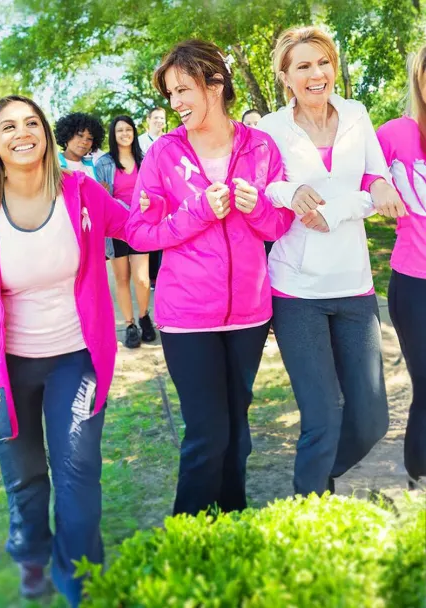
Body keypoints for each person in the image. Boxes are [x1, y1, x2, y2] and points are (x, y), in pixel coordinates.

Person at [0, 95, 129, 605]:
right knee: (25, 477)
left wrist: (182, 211)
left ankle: (80, 579)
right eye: (8, 127)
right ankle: (30, 556)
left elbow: (132, 226)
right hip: (10, 366)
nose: (22, 133)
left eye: (30, 122)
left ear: (44, 132)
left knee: (79, 477)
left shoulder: (80, 192)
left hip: (76, 357)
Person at [125, 39, 293, 516]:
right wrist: (197, 212)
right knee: (207, 434)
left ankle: (231, 528)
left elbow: (278, 225)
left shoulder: (261, 147)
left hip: (249, 315)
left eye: (184, 90)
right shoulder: (161, 154)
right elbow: (139, 232)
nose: (175, 103)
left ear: (215, 83)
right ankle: (188, 538)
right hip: (187, 318)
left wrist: (257, 206)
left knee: (238, 436)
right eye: (171, 94)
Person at [256, 25, 404, 497]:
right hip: (297, 291)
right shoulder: (271, 128)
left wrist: (352, 202)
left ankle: (322, 475)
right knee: (321, 419)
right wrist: (292, 191)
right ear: (286, 76)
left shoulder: (358, 114)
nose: (316, 73)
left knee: (372, 419)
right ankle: (310, 505)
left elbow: (377, 181)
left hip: (355, 286)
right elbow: (265, 190)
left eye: (323, 62)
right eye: (303, 66)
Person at [375, 41, 426, 490]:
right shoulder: (394, 134)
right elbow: (361, 173)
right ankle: (420, 474)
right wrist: (378, 190)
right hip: (415, 283)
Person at [95, 115, 155, 348]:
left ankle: (143, 317)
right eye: (119, 130)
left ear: (133, 132)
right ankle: (130, 325)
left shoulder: (144, 159)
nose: (124, 134)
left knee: (141, 279)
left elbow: (153, 191)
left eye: (128, 129)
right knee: (122, 279)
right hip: (116, 229)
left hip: (140, 228)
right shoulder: (104, 163)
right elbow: (101, 198)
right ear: (114, 134)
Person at [139, 107, 167, 286]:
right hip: (146, 192)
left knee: (163, 236)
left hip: (164, 195)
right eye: (155, 118)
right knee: (148, 234)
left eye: (162, 118)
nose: (159, 121)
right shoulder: (140, 142)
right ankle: (148, 276)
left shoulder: (167, 140)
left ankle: (159, 275)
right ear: (148, 120)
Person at [55, 112, 104, 179]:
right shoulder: (52, 162)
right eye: (80, 135)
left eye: (89, 138)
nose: (85, 142)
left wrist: (100, 187)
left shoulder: (93, 166)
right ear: (68, 135)